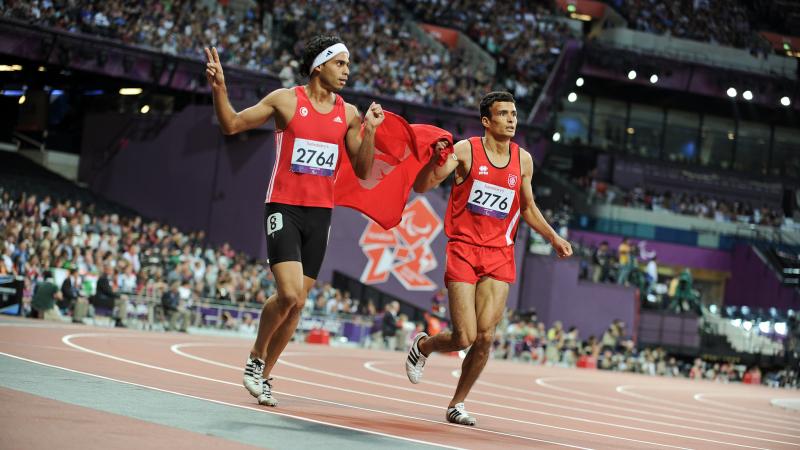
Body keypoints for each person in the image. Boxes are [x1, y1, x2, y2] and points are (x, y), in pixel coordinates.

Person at [205, 34, 385, 407]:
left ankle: (265, 375)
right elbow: (232, 125)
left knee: (299, 303)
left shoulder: (349, 114)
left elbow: (364, 169)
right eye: (340, 63)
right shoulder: (286, 100)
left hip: (321, 215)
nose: (347, 72)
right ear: (319, 65)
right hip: (283, 207)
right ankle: (256, 358)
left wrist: (371, 131)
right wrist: (220, 90)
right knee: (288, 293)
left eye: (348, 65)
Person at [406, 91, 572, 425]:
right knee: (463, 336)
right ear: (486, 121)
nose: (512, 119)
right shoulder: (466, 150)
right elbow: (423, 186)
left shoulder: (522, 160)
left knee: (485, 337)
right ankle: (422, 347)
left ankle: (458, 403)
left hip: (500, 253)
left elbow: (526, 207)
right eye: (503, 114)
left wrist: (552, 236)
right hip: (464, 249)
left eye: (514, 113)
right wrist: (437, 161)